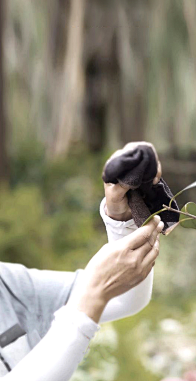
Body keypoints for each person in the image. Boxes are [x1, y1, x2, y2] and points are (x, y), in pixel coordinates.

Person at [0, 142, 163, 381]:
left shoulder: (8, 285)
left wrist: (123, 219)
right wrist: (93, 295)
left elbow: (123, 300)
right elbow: (95, 296)